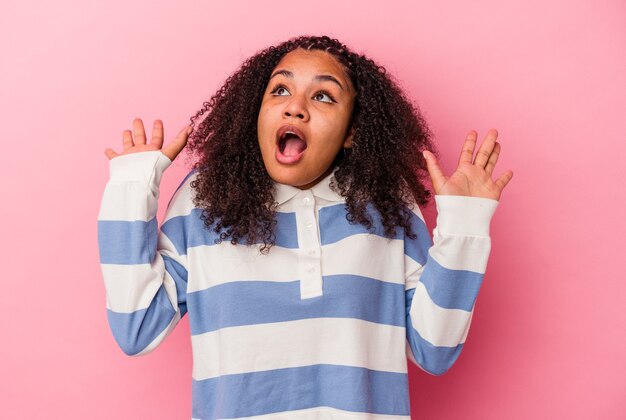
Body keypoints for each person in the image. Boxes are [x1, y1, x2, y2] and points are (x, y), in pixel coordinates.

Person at [98, 35, 513, 420]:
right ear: (255, 113)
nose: (295, 106)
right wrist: (132, 188)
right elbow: (136, 327)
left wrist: (464, 225)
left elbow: (435, 350)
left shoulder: (386, 205)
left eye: (323, 95)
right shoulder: (204, 201)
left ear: (351, 132)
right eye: (280, 90)